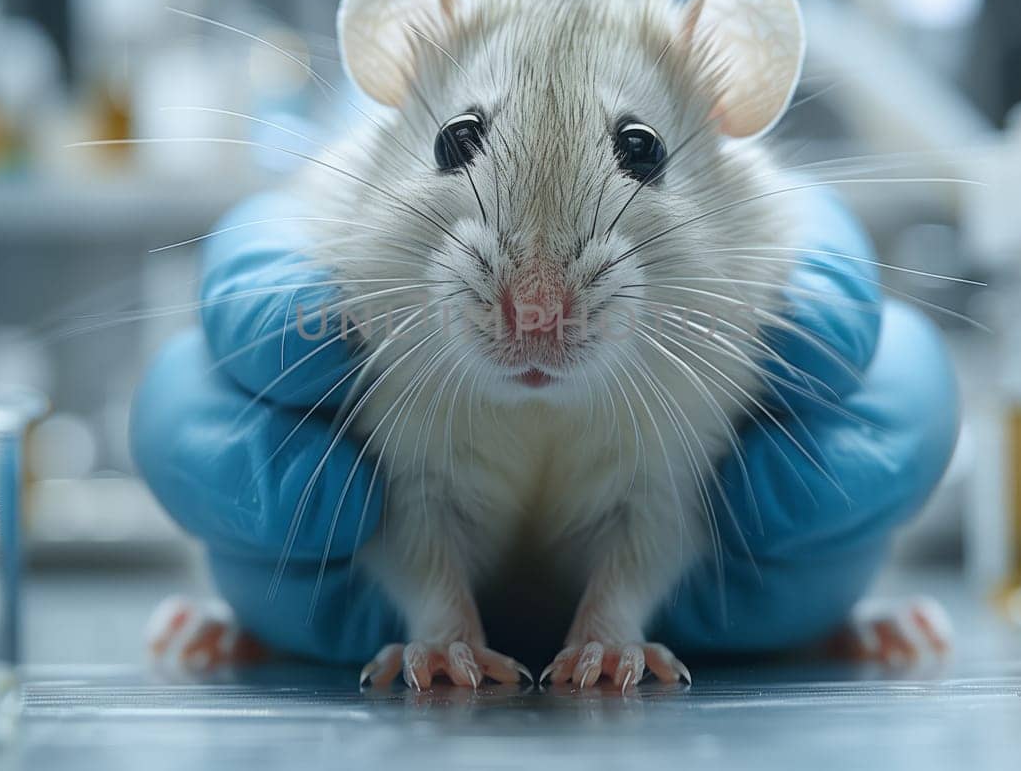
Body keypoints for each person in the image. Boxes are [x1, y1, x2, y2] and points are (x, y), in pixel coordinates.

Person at [130, 187, 959, 670]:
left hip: (711, 631)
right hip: (362, 628)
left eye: (637, 150)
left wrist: (618, 616)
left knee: (791, 511)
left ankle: (806, 612)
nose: (536, 310)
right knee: (307, 495)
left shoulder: (721, 283)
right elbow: (408, 497)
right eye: (462, 139)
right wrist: (436, 620)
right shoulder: (376, 267)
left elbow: (662, 503)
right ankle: (294, 617)